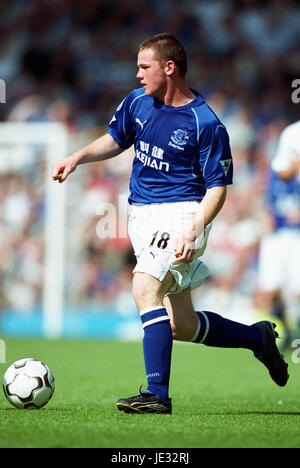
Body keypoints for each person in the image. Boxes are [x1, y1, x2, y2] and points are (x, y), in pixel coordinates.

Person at [52, 33, 288, 414]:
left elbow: (217, 190)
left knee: (144, 287)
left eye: (144, 66)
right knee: (182, 325)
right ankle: (258, 339)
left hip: (181, 214)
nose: (137, 74)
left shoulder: (205, 122)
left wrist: (193, 228)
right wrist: (77, 157)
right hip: (141, 215)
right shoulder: (137, 102)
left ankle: (157, 395)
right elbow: (116, 138)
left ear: (169, 67)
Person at [256, 120, 300, 349]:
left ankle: (295, 332)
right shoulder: (275, 177)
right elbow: (267, 204)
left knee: (296, 289)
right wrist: (265, 216)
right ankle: (284, 329)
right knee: (270, 288)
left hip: (296, 236)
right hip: (276, 235)